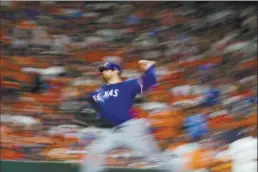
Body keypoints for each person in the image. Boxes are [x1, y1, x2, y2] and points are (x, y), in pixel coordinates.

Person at [73, 60, 166, 172]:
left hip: (132, 129)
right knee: (94, 151)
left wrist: (150, 67)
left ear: (116, 71)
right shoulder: (96, 93)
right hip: (113, 131)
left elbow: (151, 81)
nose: (102, 72)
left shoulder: (128, 85)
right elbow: (90, 108)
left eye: (106, 70)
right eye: (102, 71)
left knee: (156, 159)